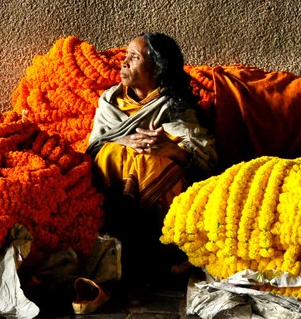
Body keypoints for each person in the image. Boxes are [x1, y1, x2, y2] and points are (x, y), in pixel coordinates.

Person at [85, 33, 215, 297]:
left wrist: (170, 150)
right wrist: (125, 140)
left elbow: (203, 161)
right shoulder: (110, 101)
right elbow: (95, 146)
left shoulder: (175, 105)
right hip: (114, 194)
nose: (124, 63)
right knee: (114, 154)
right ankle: (122, 252)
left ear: (157, 68)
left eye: (134, 58)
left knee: (152, 164)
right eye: (125, 57)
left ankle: (154, 256)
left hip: (158, 215)